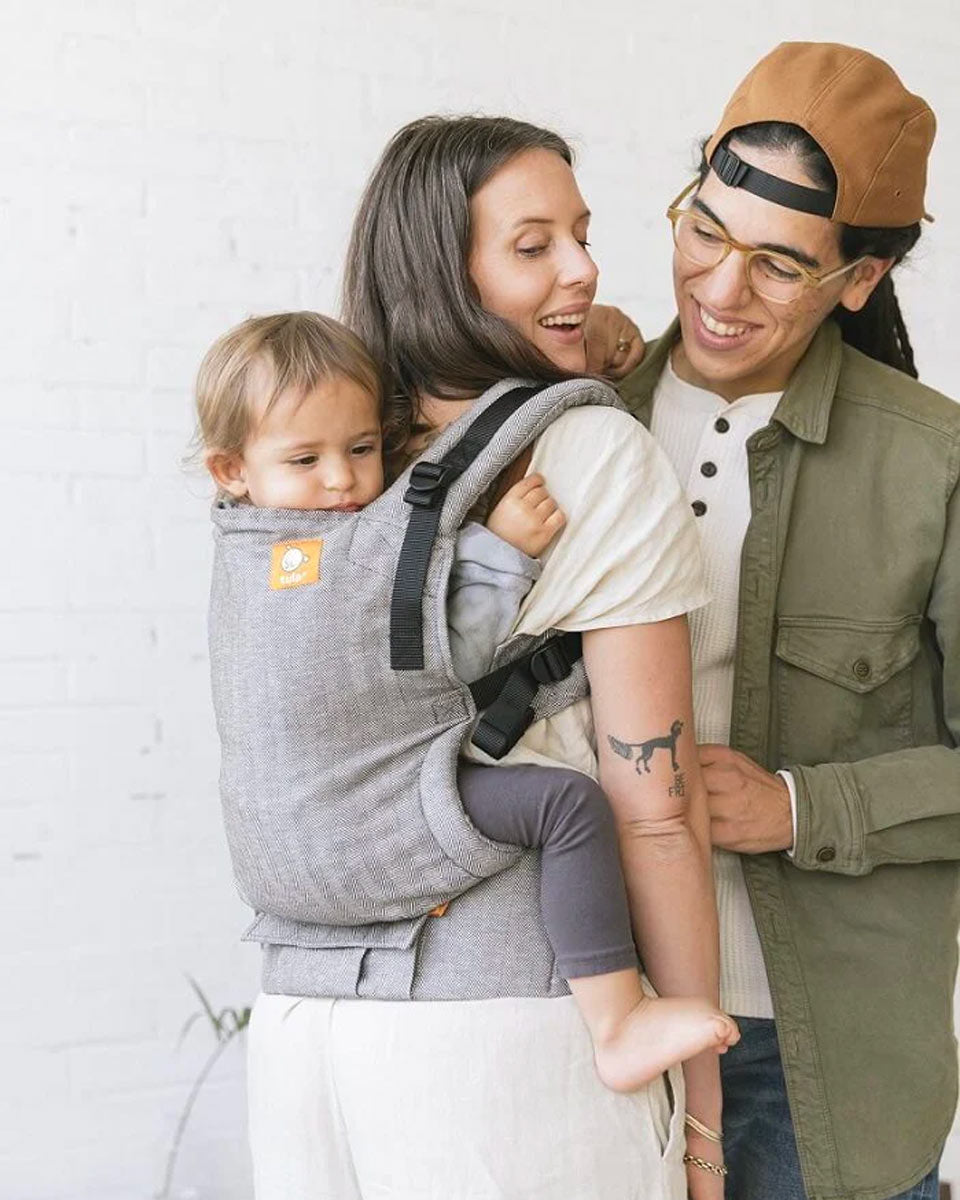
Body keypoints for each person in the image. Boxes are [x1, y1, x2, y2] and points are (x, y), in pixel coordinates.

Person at [243, 119, 730, 1200]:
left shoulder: (332, 447)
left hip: (299, 1027)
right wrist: (700, 1114)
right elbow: (654, 807)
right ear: (443, 270)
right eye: (533, 245)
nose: (584, 266)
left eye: (584, 235)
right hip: (503, 1032)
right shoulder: (591, 450)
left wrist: (591, 329)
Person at [196, 309, 737, 1094]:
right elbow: (440, 661)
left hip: (288, 858)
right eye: (306, 459)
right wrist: (502, 552)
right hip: (381, 809)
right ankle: (618, 1020)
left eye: (361, 449)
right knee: (568, 808)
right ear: (231, 472)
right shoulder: (328, 557)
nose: (343, 480)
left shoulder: (248, 553)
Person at [613, 40, 958, 1200]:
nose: (717, 290)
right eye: (704, 230)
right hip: (589, 1030)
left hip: (812, 1065)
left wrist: (804, 806)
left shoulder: (933, 465)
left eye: (777, 266)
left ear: (860, 280)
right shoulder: (577, 421)